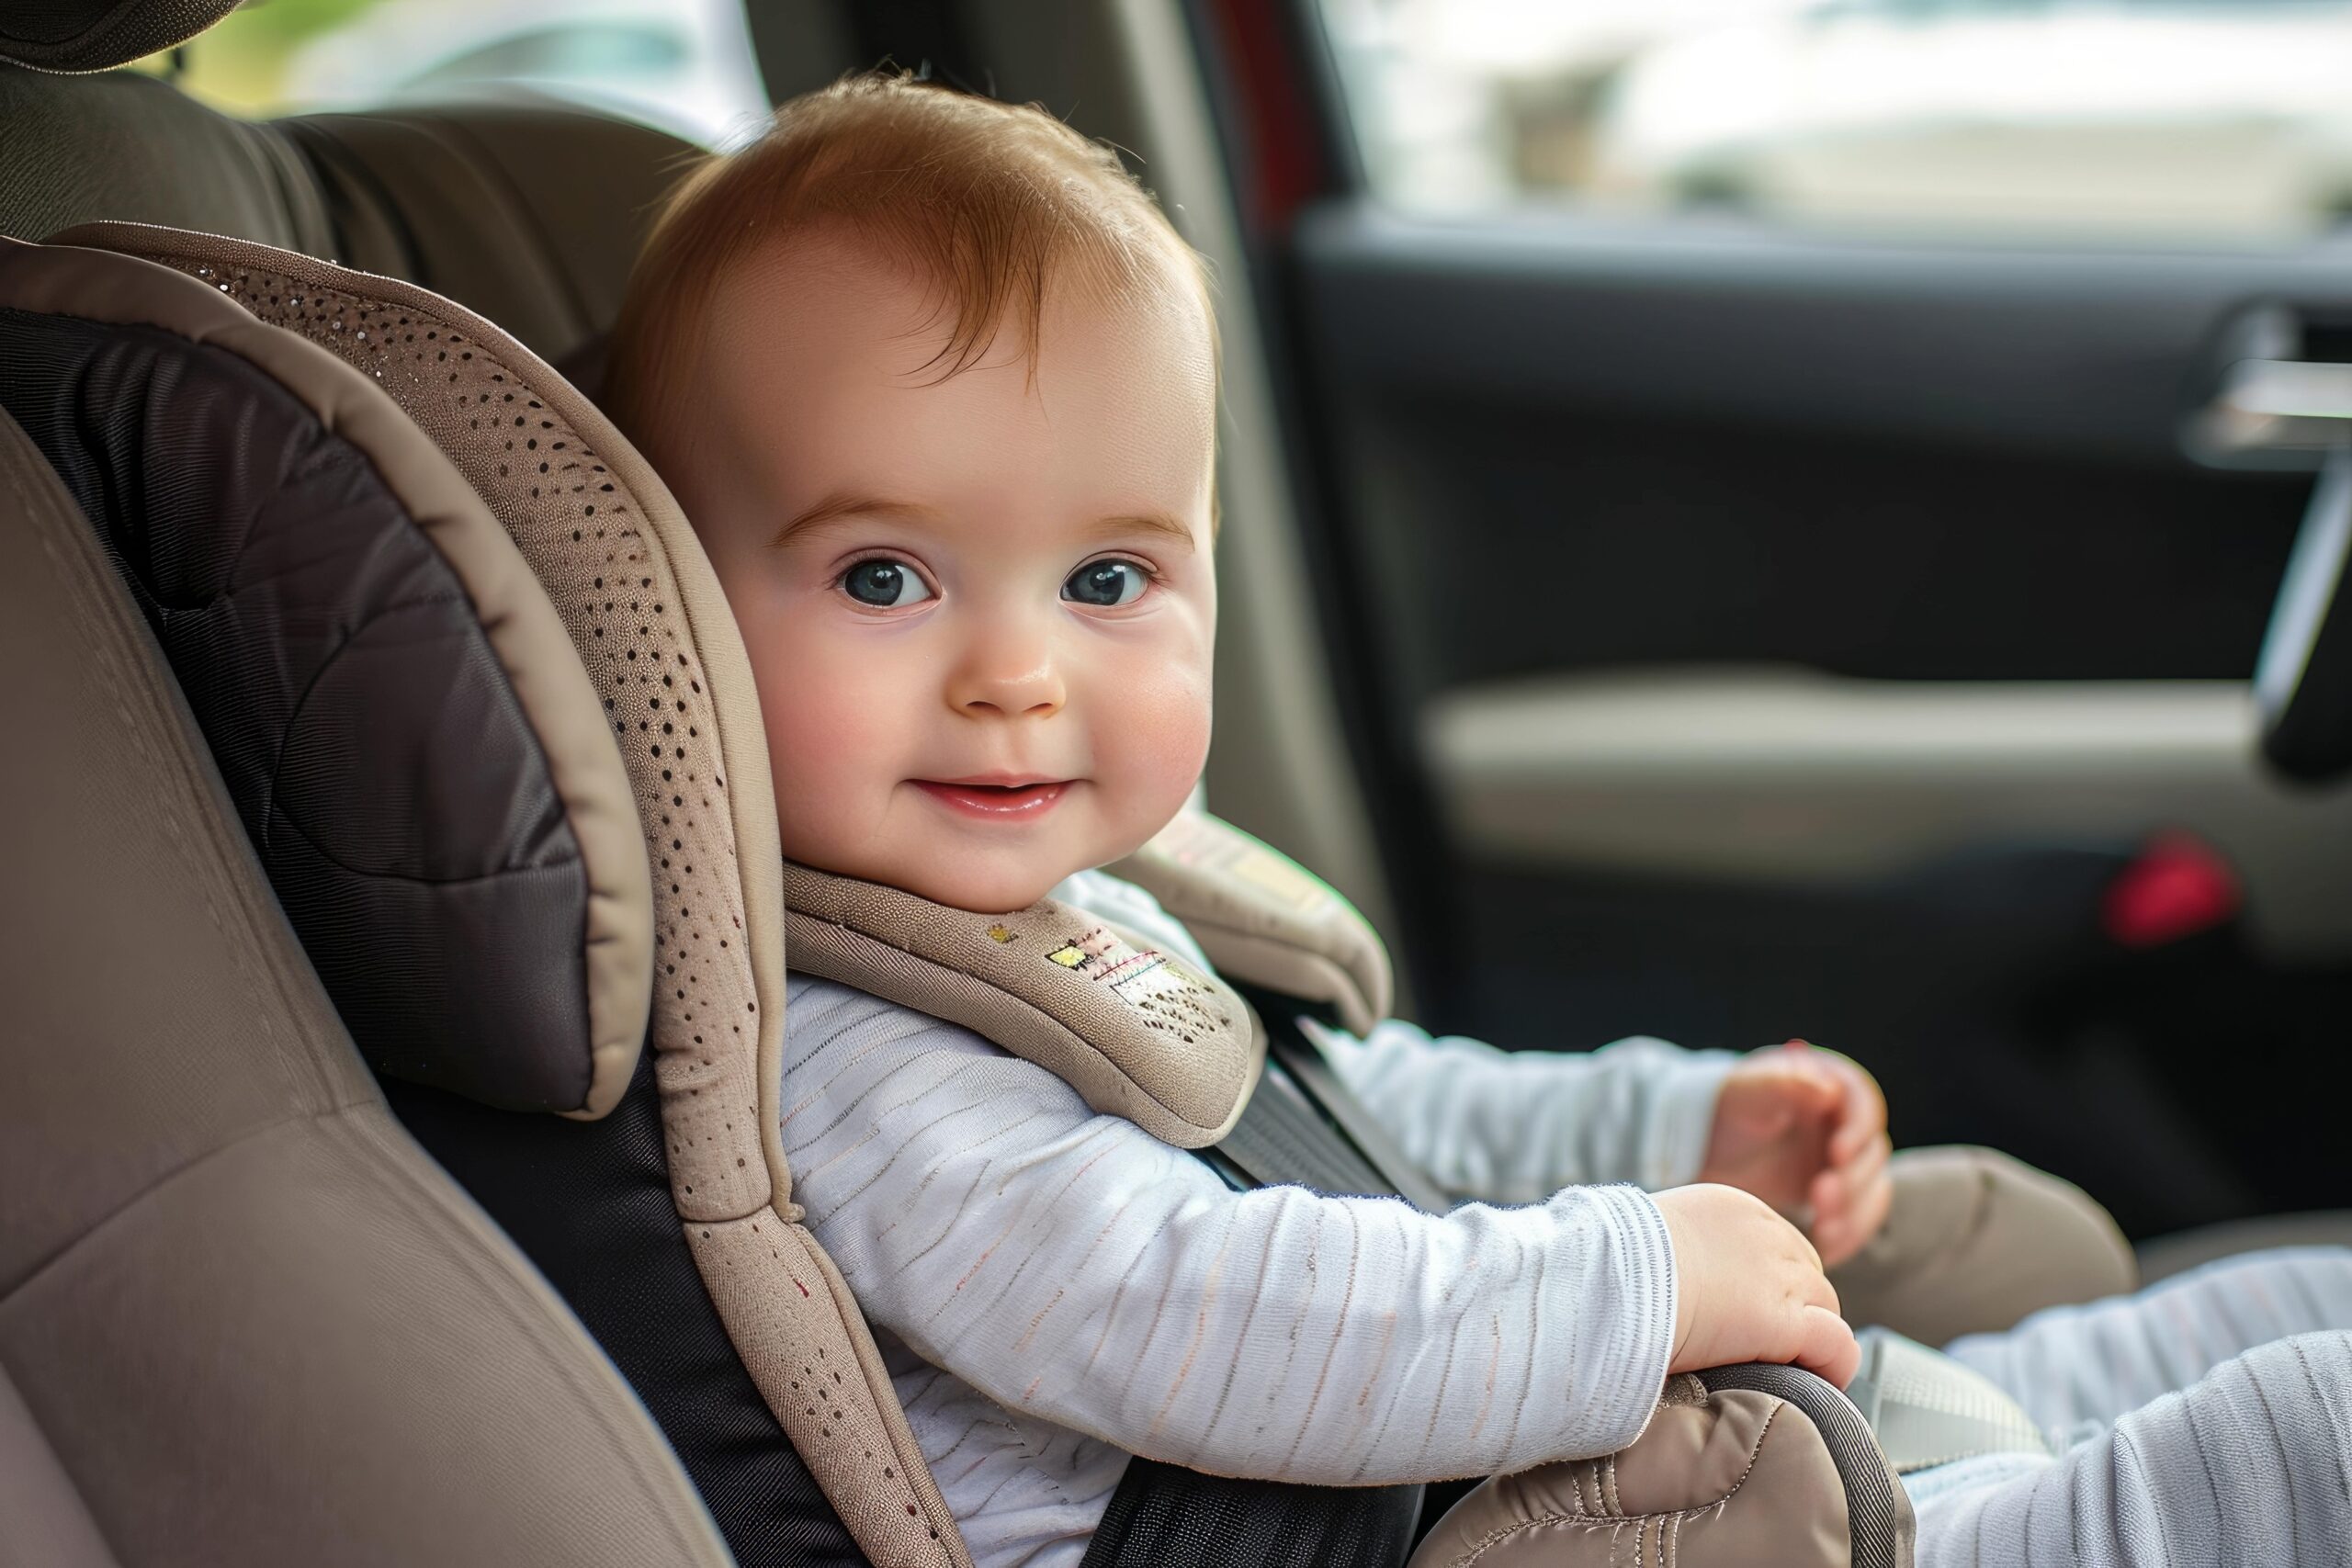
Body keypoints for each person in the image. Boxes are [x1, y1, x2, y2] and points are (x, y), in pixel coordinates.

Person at [604, 71, 2352, 1568]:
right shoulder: (835, 1057)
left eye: (1110, 575)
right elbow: (1187, 1308)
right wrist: (1629, 1282)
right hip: (1409, 1538)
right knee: (2299, 1443)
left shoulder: (1058, 912)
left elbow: (1371, 1117)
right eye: (886, 575)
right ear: (677, 614)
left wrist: (1674, 1124)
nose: (1017, 672)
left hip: (1514, 1477)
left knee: (2277, 1324)